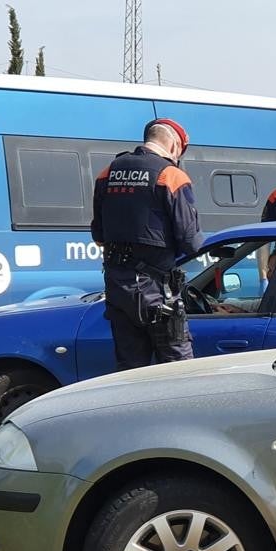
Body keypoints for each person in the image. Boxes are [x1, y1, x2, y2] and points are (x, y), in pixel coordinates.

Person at [92, 118, 204, 370]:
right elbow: (191, 241)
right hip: (157, 293)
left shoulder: (107, 173)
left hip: (118, 288)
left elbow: (98, 235)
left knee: (131, 371)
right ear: (175, 145)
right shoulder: (171, 175)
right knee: (179, 371)